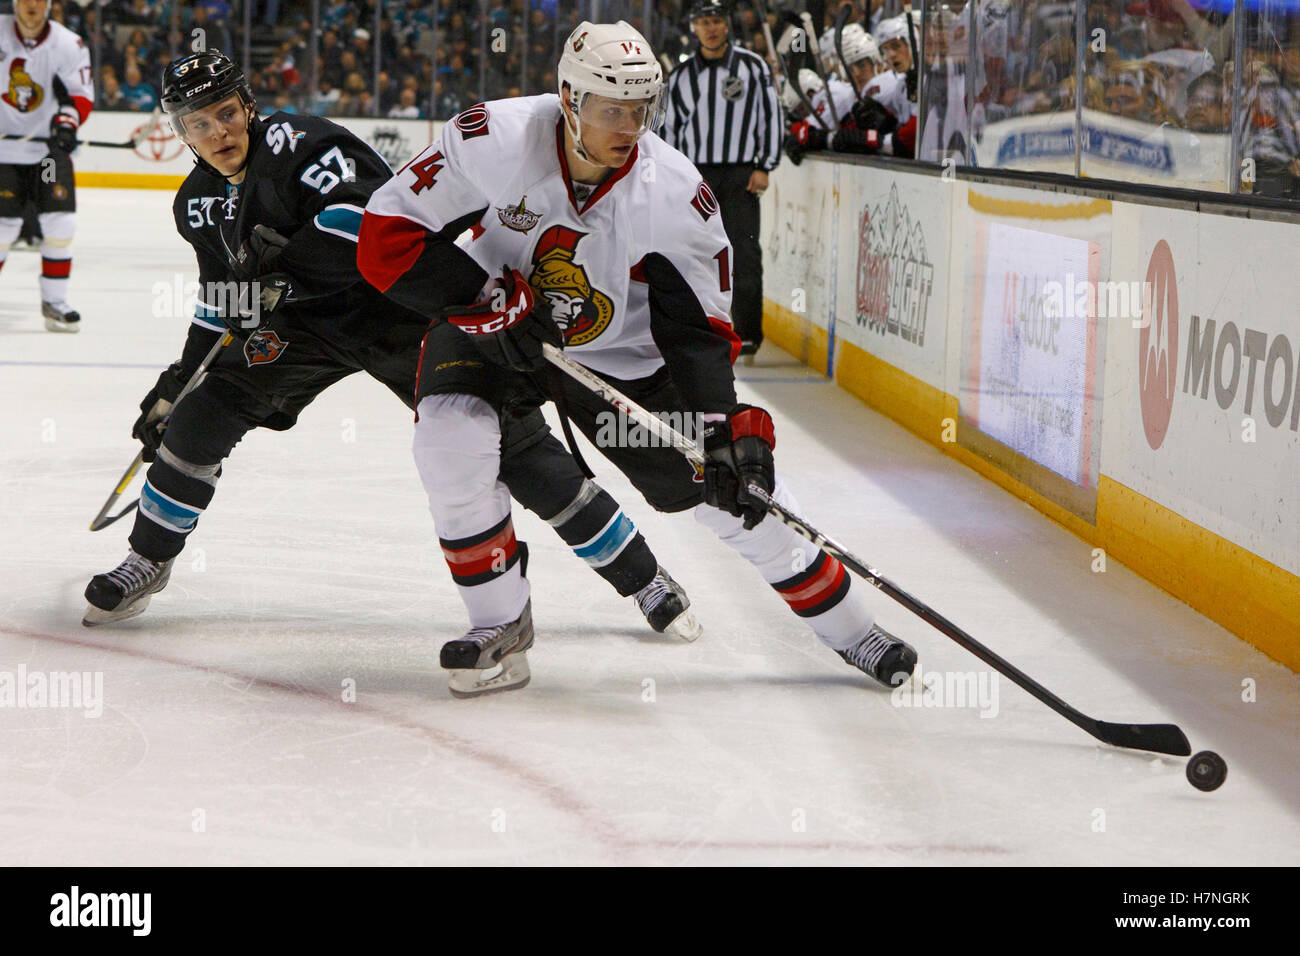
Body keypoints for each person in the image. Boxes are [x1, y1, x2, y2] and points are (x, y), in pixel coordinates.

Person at [357, 20, 918, 698]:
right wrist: (477, 298)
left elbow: (699, 330)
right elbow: (386, 236)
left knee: (732, 496)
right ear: (569, 98)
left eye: (640, 109)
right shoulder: (492, 136)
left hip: (615, 358)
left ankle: (853, 629)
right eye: (611, 109)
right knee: (449, 440)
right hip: (493, 321)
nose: (629, 126)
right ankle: (497, 626)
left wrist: (720, 427)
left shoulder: (675, 192)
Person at [83, 50, 699, 648]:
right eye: (199, 122)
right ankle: (147, 559)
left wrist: (287, 270)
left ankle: (643, 577)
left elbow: (365, 224)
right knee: (197, 418)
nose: (217, 131)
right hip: (300, 331)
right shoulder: (196, 206)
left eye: (225, 112)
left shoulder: (306, 145)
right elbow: (224, 305)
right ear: (181, 132)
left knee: (514, 443)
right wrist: (176, 382)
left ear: (248, 105)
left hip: (397, 309)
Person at [661, 0, 780, 361]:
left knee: (743, 252)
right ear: (693, 27)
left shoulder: (753, 67)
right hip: (697, 177)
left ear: (726, 24)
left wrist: (765, 166)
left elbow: (771, 115)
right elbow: (669, 130)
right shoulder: (680, 76)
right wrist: (674, 176)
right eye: (703, 22)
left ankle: (747, 334)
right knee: (693, 253)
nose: (710, 28)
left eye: (716, 20)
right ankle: (697, 326)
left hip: (741, 174)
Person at [0, 0, 92, 333]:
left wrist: (66, 125)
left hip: (48, 155)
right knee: (3, 228)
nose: (32, 4)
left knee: (60, 224)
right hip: (4, 152)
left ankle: (55, 302)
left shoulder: (69, 44)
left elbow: (79, 95)